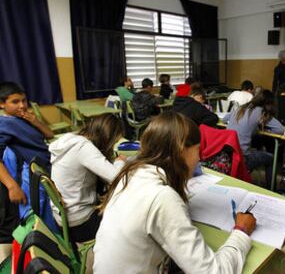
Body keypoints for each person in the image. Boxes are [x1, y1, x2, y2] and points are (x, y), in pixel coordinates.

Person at [93, 111, 256, 273]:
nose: (199, 158)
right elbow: (214, 271)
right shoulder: (162, 197)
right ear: (181, 150)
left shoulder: (131, 174)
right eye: (197, 149)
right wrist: (241, 232)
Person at [49, 114, 126, 243]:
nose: (112, 146)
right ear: (107, 136)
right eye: (114, 142)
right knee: (129, 214)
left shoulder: (72, 140)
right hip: (80, 224)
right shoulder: (83, 148)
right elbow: (115, 178)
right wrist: (120, 162)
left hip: (63, 219)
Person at [0, 82, 54, 261]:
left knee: (45, 216)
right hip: (30, 176)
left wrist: (35, 121)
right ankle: (32, 257)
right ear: (2, 104)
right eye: (15, 102)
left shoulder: (23, 118)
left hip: (44, 170)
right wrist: (12, 186)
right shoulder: (4, 123)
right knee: (33, 220)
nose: (22, 105)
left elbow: (49, 135)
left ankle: (46, 250)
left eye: (24, 100)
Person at [224, 89, 284, 188]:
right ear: (269, 104)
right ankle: (270, 189)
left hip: (228, 154)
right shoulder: (262, 113)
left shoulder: (241, 108)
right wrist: (265, 129)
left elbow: (225, 119)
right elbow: (280, 129)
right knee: (271, 158)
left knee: (254, 148)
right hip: (243, 158)